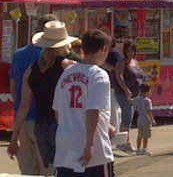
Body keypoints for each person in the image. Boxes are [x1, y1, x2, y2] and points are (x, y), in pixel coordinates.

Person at [8, 21, 77, 176]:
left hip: (40, 126)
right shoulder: (68, 66)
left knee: (47, 171)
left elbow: (24, 105)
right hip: (61, 125)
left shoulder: (32, 69)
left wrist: (14, 137)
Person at [52, 28, 115, 177]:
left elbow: (57, 111)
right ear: (103, 49)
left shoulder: (67, 73)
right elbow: (93, 110)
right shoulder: (99, 74)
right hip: (94, 154)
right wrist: (89, 144)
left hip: (65, 149)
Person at [8, 14, 58, 176]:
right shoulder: (49, 57)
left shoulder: (18, 54)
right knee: (47, 170)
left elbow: (13, 87)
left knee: (28, 172)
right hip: (44, 120)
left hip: (22, 119)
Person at [114, 42, 143, 154]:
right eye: (128, 50)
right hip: (124, 94)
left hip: (136, 94)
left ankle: (122, 142)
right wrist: (126, 90)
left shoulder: (135, 62)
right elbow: (119, 76)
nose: (130, 53)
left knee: (129, 118)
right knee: (127, 118)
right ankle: (125, 143)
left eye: (132, 50)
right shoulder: (122, 62)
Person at [132, 84, 156, 155]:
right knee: (145, 135)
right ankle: (144, 149)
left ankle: (138, 149)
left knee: (139, 135)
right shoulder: (148, 101)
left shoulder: (137, 99)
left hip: (139, 119)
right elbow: (149, 111)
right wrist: (152, 120)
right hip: (146, 120)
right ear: (147, 92)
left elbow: (131, 101)